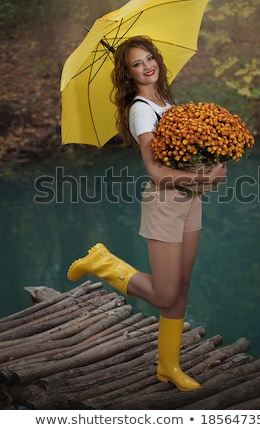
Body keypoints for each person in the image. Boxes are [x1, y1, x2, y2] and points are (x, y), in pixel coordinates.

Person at [67, 36, 227, 391]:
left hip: (190, 198)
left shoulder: (167, 100)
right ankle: (103, 262)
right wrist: (203, 177)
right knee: (166, 293)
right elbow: (155, 170)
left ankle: (168, 366)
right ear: (128, 74)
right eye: (137, 64)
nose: (146, 66)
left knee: (182, 284)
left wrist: (209, 166)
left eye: (149, 58)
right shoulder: (141, 109)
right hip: (165, 201)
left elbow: (182, 154)